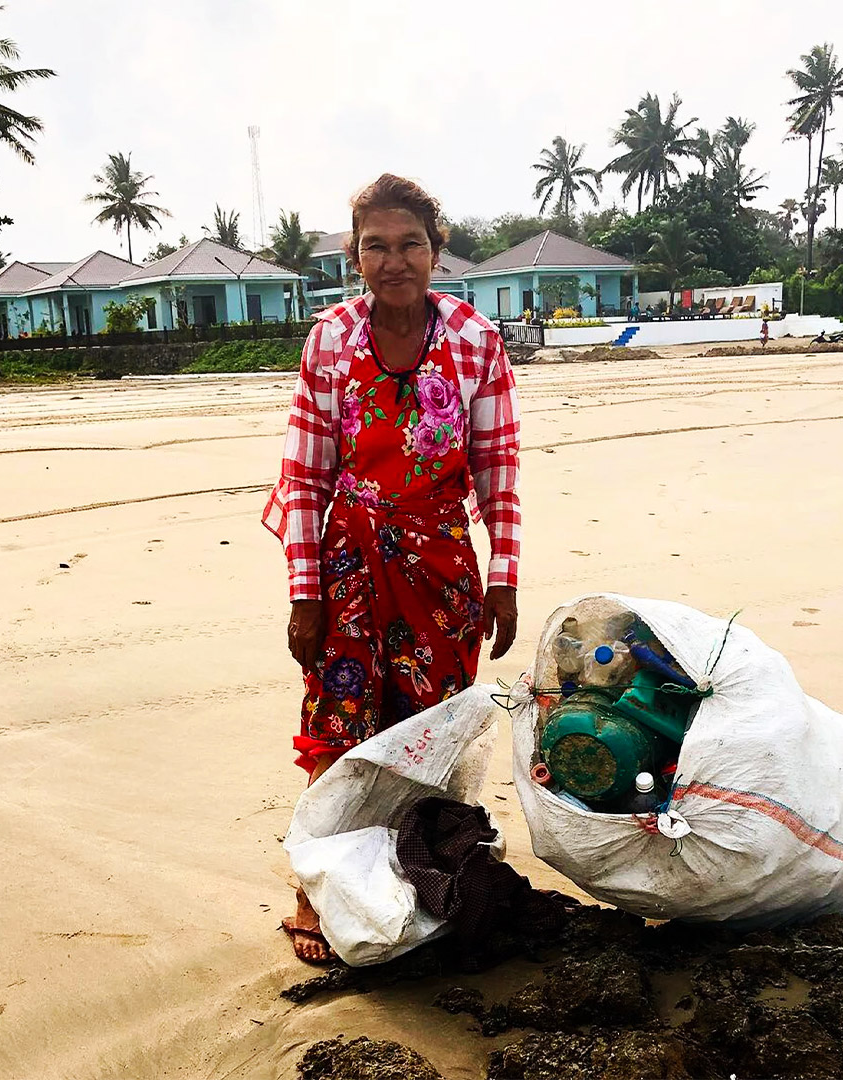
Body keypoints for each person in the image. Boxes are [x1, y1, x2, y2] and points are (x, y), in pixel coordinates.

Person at [263, 174, 521, 962]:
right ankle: (316, 891)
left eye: (410, 243)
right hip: (348, 563)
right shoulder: (330, 340)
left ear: (437, 252)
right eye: (375, 245)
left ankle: (414, 883)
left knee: (428, 729)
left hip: (441, 565)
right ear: (354, 256)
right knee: (337, 727)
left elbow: (496, 466)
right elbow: (305, 478)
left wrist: (503, 577)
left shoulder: (477, 342)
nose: (394, 259)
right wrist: (306, 595)